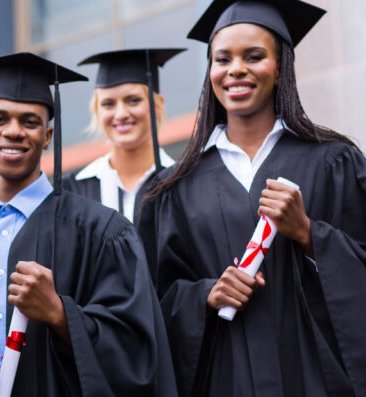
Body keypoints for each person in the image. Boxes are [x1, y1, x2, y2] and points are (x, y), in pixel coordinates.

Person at [138, 1, 366, 395]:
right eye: (222, 59)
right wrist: (205, 296)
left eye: (254, 56)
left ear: (280, 69)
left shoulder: (334, 161)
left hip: (315, 379)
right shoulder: (173, 189)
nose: (236, 69)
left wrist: (310, 235)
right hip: (225, 380)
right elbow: (150, 301)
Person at [0, 52, 176, 396]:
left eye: (29, 121)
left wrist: (59, 313)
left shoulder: (103, 232)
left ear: (48, 135)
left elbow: (137, 354)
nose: (13, 131)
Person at [64, 48, 183, 223]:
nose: (121, 114)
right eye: (108, 104)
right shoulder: (72, 190)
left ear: (158, 106)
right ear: (97, 111)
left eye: (133, 100)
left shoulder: (181, 182)